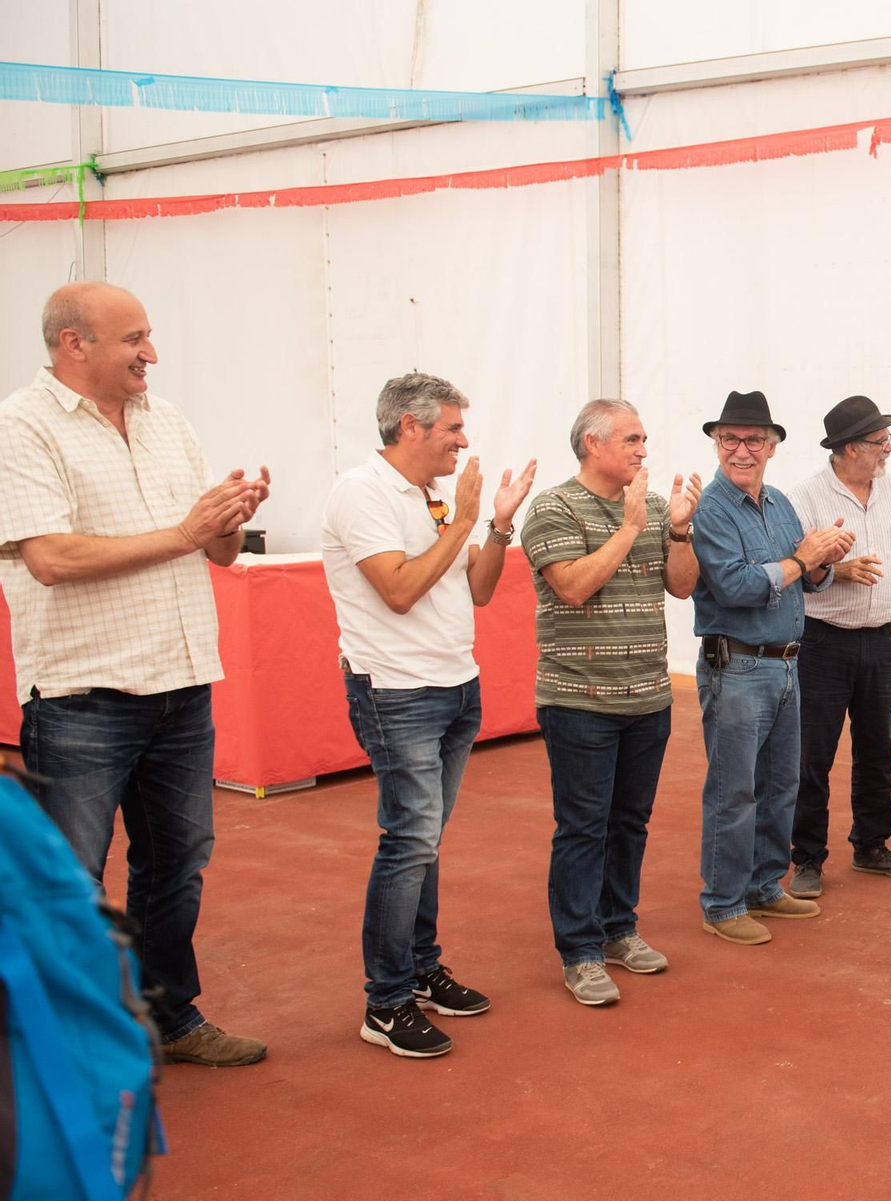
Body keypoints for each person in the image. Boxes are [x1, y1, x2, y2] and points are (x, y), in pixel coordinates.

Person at [0, 281, 271, 1067]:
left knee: (177, 866)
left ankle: (168, 1017)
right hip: (86, 693)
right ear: (73, 344)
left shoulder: (168, 422)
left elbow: (212, 550)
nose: (151, 353)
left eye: (149, 336)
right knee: (70, 879)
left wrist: (228, 519)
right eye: (133, 339)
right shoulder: (23, 429)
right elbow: (50, 557)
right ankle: (64, 1044)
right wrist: (186, 529)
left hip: (181, 683)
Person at [324, 371, 535, 1057]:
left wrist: (498, 525)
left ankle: (418, 969)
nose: (463, 441)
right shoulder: (362, 493)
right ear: (408, 426)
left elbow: (476, 588)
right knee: (409, 840)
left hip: (453, 683)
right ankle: (384, 1002)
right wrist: (470, 521)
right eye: (451, 429)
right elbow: (400, 591)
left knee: (426, 840)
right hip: (397, 691)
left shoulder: (432, 495)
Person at [520, 398, 699, 1006]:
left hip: (648, 694)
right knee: (582, 828)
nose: (643, 450)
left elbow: (681, 585)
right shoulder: (552, 508)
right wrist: (627, 529)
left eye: (644, 439)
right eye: (631, 439)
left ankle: (619, 927)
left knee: (629, 822)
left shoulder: (651, 508)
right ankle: (580, 951)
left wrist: (675, 530)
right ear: (592, 444)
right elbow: (571, 587)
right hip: (578, 699)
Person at [690, 390, 852, 944]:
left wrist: (824, 561)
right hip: (736, 665)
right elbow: (733, 586)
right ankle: (722, 902)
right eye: (730, 439)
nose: (741, 449)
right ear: (716, 443)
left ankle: (763, 885)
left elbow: (806, 579)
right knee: (734, 791)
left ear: (773, 447)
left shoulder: (780, 501)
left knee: (781, 784)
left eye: (753, 440)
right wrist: (802, 559)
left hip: (784, 664)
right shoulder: (710, 510)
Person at [788, 395, 891, 897]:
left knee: (878, 749)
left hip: (883, 642)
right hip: (822, 642)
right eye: (879, 441)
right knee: (813, 756)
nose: (889, 447)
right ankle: (806, 858)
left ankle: (871, 846)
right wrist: (839, 570)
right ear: (850, 448)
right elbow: (791, 567)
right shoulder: (804, 497)